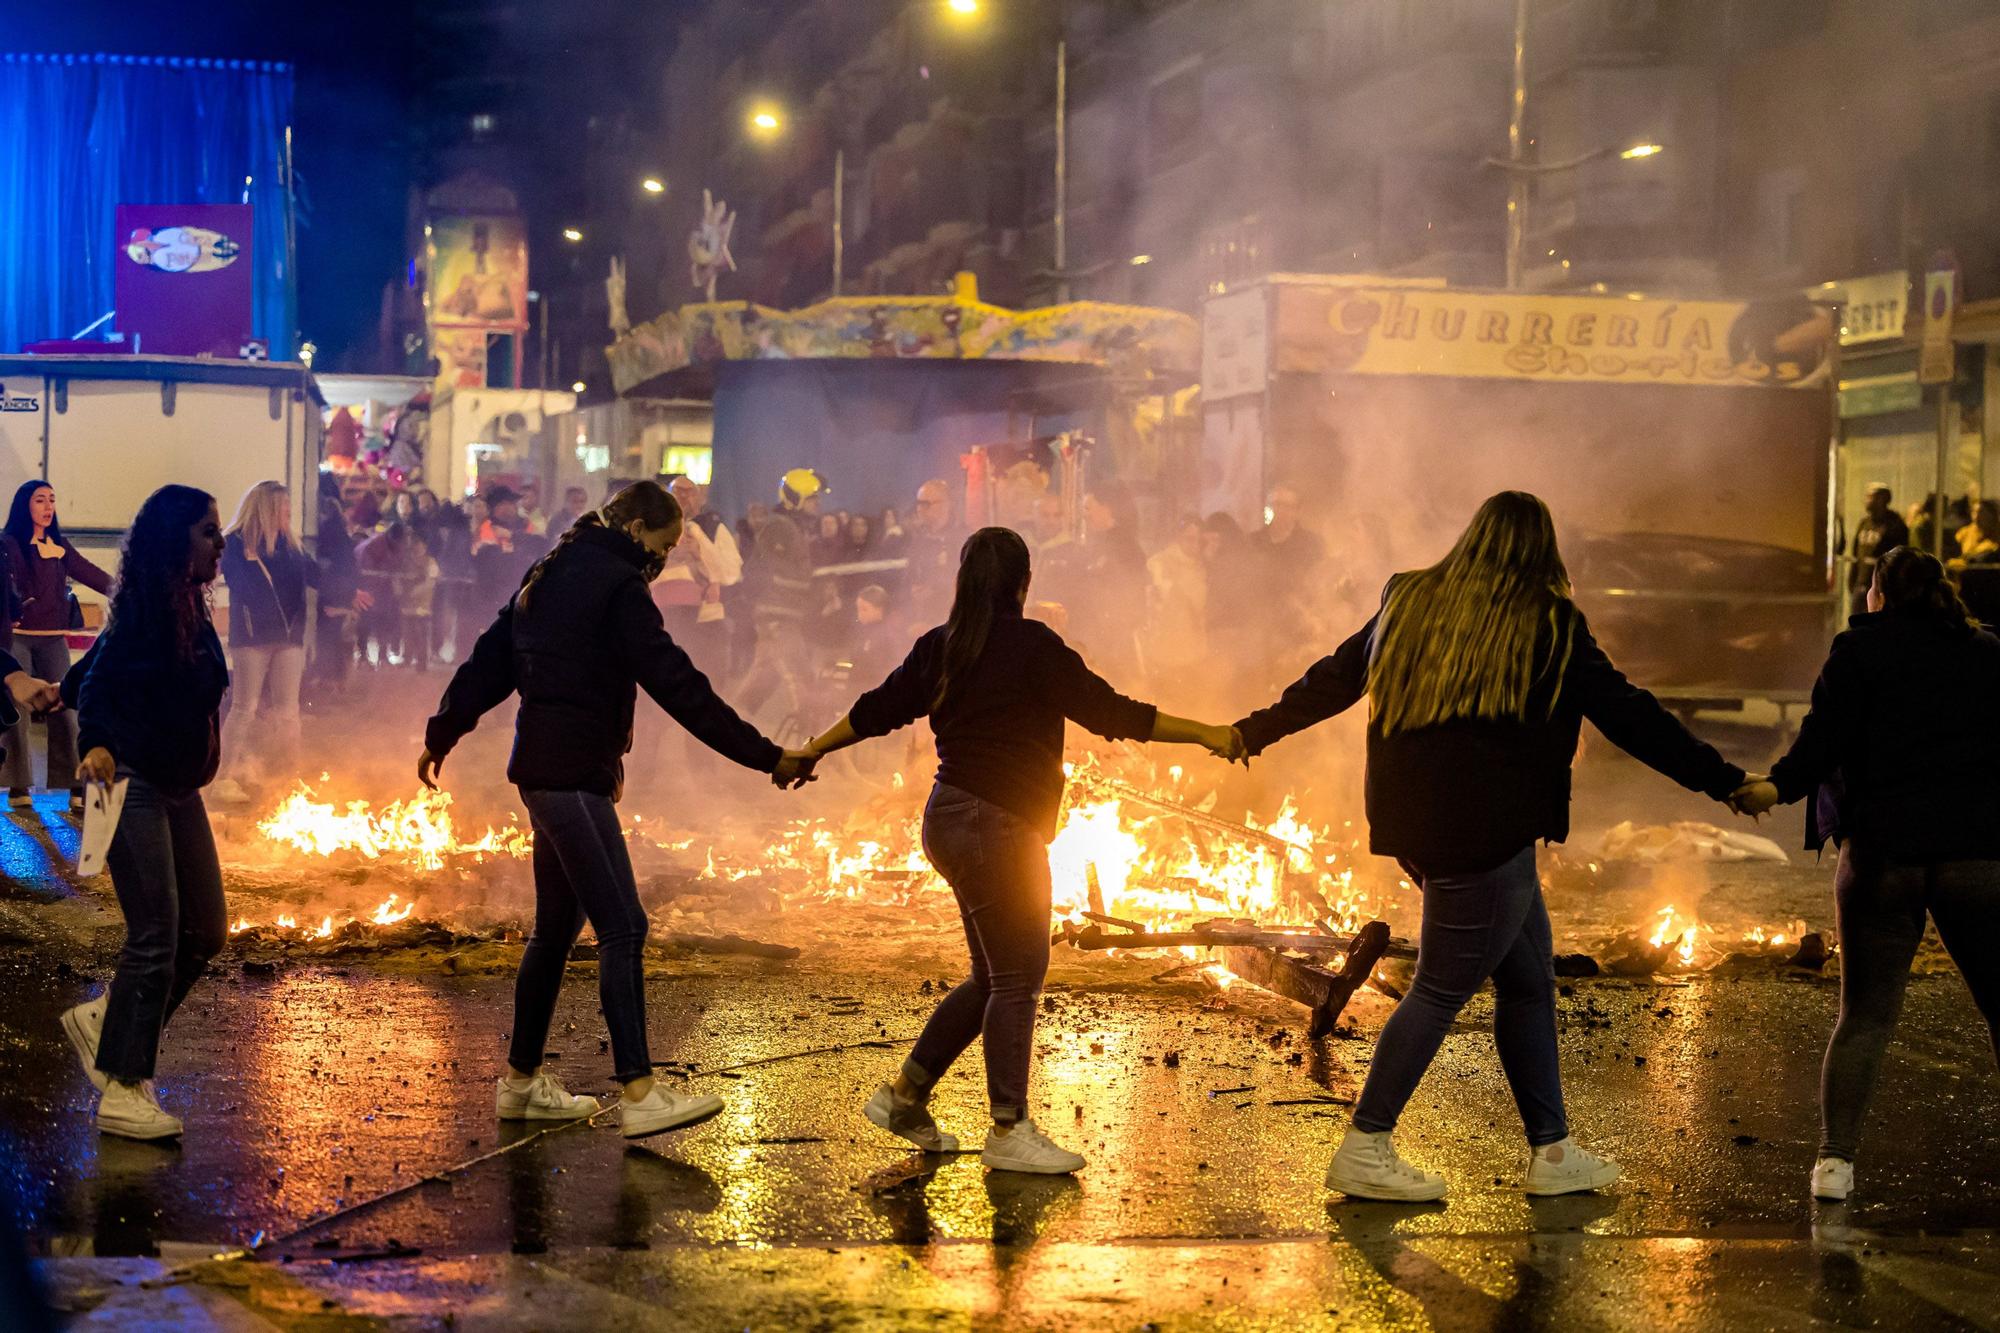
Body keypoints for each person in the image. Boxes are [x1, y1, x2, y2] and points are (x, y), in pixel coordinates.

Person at [1231, 492, 1748, 1202]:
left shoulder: (1408, 599)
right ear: (1544, 554)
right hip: (1490, 833)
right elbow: (1632, 716)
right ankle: (1367, 1143)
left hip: (1422, 825)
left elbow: (1335, 677)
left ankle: (1554, 1151)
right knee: (1441, 987)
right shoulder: (1550, 622)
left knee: (1528, 978)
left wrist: (1254, 730)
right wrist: (1725, 780)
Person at [800, 527, 1243, 1174]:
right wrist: (1203, 730)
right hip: (997, 826)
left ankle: (904, 1098)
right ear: (1022, 584)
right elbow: (1112, 711)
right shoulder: (1032, 645)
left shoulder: (942, 645)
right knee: (1018, 976)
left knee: (991, 976)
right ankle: (1008, 1127)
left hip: (948, 818)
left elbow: (876, 710)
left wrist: (811, 748)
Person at [419, 481, 817, 1139]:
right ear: (636, 528)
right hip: (572, 777)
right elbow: (679, 685)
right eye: (661, 547)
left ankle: (520, 1084)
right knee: (624, 925)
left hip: (546, 770)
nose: (662, 562)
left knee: (556, 927)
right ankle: (639, 1091)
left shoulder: (552, 567)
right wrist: (765, 754)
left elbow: (492, 658)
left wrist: (443, 729)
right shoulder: (618, 586)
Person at [1732, 546, 2000, 1204]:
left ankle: (1835, 1164)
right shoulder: (1989, 652)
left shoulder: (1860, 652)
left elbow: (1819, 742)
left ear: (1877, 593)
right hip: (1976, 857)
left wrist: (1771, 789)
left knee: (1866, 1017)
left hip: (1882, 856)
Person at [59, 486, 230, 1141]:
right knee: (155, 932)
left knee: (207, 929)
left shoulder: (186, 601)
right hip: (131, 778)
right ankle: (124, 1089)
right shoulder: (148, 609)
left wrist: (59, 689)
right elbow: (103, 682)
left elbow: (96, 661)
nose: (219, 542)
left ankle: (108, 1024)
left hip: (179, 784)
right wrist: (93, 740)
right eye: (208, 531)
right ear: (175, 542)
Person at [215, 482, 332, 804]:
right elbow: (242, 586)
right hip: (252, 637)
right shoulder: (236, 545)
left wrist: (346, 593)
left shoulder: (291, 546)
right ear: (266, 509)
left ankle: (286, 776)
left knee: (288, 710)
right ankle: (223, 776)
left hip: (289, 637)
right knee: (244, 707)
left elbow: (316, 577)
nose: (288, 514)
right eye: (283, 508)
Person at [1, 481, 113, 808]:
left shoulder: (60, 546)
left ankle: (76, 783)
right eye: (40, 500)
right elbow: (12, 584)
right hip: (17, 639)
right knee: (18, 708)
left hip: (52, 640)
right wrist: (35, 552)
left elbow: (93, 575)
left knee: (68, 705)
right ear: (25, 506)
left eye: (51, 500)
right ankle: (18, 785)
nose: (48, 507)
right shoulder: (9, 544)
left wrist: (129, 591)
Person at [736, 469, 822, 736]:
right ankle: (809, 744)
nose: (817, 505)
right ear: (795, 498)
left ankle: (726, 730)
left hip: (783, 614)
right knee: (800, 676)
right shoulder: (779, 527)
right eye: (812, 499)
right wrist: (812, 583)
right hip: (776, 616)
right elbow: (768, 573)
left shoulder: (790, 527)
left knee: (764, 680)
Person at [654, 476, 742, 679]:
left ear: (700, 498)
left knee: (709, 675)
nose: (683, 497)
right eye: (678, 491)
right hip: (667, 614)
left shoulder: (710, 528)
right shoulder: (654, 528)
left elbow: (730, 572)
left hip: (707, 618)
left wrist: (698, 553)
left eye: (689, 492)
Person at [1143, 513, 1209, 687]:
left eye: (1198, 540)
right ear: (1178, 537)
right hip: (1166, 648)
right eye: (1189, 539)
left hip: (1196, 649)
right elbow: (1159, 597)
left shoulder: (1204, 565)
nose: (1194, 545)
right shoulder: (1160, 563)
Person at [1849, 483, 1909, 616]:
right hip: (1861, 584)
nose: (1867, 500)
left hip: (1881, 588)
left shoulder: (1895, 525)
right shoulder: (1864, 523)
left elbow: (1899, 559)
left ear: (1883, 499)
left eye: (1871, 496)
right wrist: (1853, 580)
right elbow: (1856, 554)